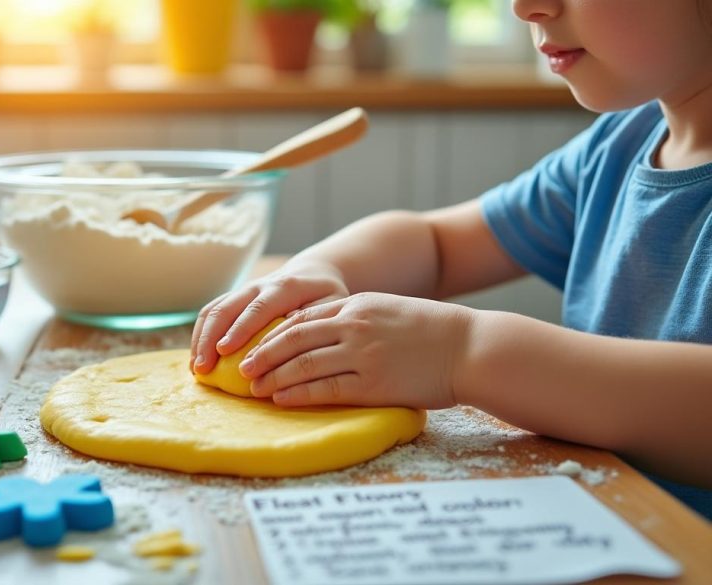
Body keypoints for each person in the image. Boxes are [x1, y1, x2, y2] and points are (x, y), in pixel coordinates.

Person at [192, 0, 712, 519]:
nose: (525, 7)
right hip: (624, 522)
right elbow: (437, 243)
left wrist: (463, 353)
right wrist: (319, 270)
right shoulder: (618, 145)